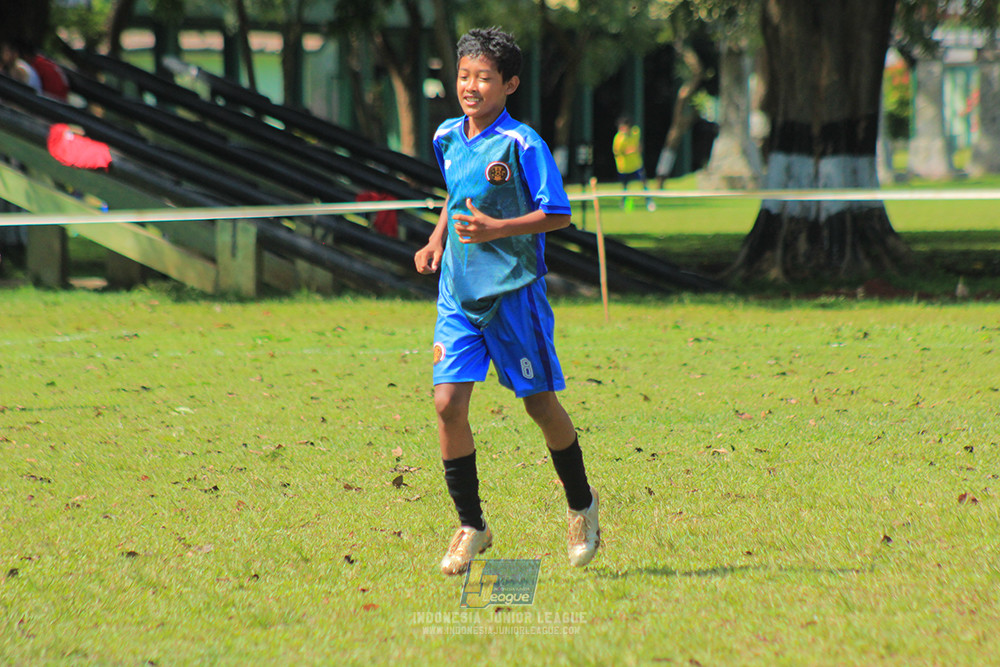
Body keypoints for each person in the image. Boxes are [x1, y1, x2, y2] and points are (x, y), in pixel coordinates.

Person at [414, 27, 600, 576]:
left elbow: (559, 213)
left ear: (509, 83)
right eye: (464, 75)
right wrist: (437, 239)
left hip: (514, 294)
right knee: (447, 404)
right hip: (458, 293)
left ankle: (582, 506)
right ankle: (471, 525)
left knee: (539, 405)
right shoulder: (447, 135)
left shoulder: (523, 144)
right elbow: (456, 197)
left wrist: (499, 228)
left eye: (484, 78)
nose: (471, 87)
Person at [612, 116, 655, 211]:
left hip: (636, 165)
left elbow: (639, 145)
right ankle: (623, 203)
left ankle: (649, 201)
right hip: (624, 167)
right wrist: (630, 151)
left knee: (644, 183)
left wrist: (638, 148)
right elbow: (618, 152)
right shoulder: (618, 138)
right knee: (624, 187)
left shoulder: (636, 132)